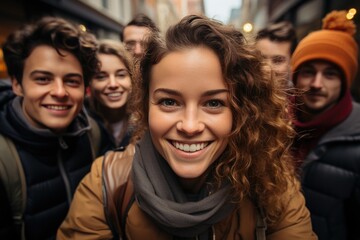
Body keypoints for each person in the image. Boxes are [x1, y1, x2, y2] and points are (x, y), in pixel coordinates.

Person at [58, 15, 317, 239]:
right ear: (146, 107)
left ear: (241, 111)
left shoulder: (271, 185)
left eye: (214, 103)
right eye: (169, 102)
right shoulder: (106, 184)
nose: (190, 126)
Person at [0, 16, 101, 240]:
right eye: (43, 79)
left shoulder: (91, 133)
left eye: (72, 81)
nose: (59, 92)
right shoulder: (4, 161)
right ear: (17, 84)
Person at [290, 10, 359, 240]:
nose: (316, 84)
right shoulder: (272, 124)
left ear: (344, 82)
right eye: (308, 72)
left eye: (330, 74)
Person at [87, 39, 134, 155]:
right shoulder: (82, 124)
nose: (113, 84)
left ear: (133, 79)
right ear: (90, 82)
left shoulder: (147, 122)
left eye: (121, 75)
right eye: (101, 77)